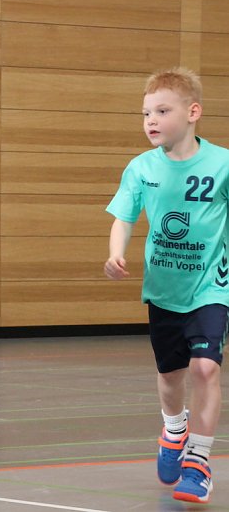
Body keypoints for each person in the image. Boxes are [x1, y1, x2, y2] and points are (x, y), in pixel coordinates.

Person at [105, 67, 229, 504]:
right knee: (170, 376)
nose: (151, 120)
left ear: (193, 112)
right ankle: (174, 427)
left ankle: (199, 462)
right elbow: (124, 216)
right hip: (164, 289)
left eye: (162, 110)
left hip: (211, 287)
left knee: (206, 368)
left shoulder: (223, 164)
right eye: (145, 112)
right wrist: (116, 251)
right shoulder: (141, 168)